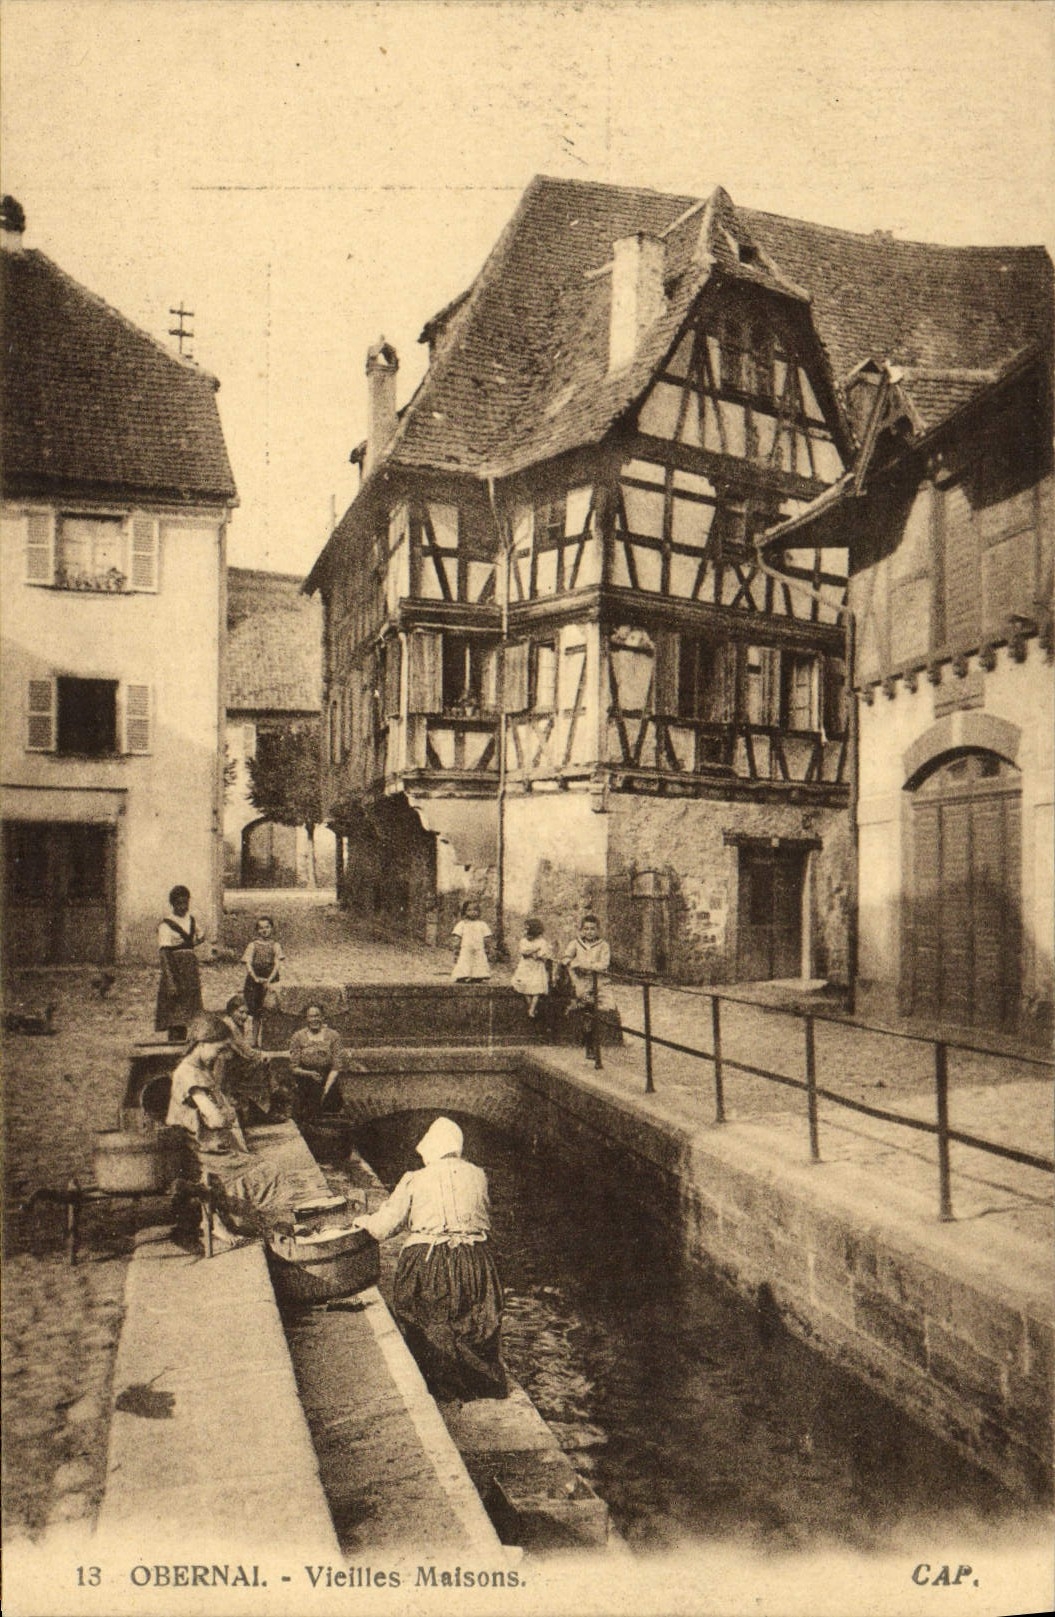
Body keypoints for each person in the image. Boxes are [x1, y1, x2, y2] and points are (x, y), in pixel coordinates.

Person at [353, 1117, 506, 1402]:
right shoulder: (478, 1175)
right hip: (474, 1260)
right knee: (474, 1321)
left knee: (429, 1320)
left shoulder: (415, 1178)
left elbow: (384, 1227)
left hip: (429, 1260)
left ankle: (442, 1386)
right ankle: (479, 1383)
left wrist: (362, 1222)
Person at [165, 1014, 246, 1157]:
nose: (221, 1056)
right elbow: (215, 1119)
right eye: (219, 1050)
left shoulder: (201, 1069)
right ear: (201, 1044)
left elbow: (214, 1101)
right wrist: (226, 1114)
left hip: (210, 1143)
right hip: (197, 1150)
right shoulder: (188, 1073)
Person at [219, 994, 280, 1123]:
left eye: (246, 1013)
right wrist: (262, 1055)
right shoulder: (229, 1026)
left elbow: (247, 1047)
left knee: (262, 1066)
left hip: (232, 1065)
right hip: (225, 1069)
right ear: (231, 1011)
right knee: (262, 1065)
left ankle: (263, 1108)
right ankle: (265, 1109)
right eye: (241, 1012)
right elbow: (246, 1051)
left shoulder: (235, 1024)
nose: (245, 1017)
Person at [155, 885, 204, 1042]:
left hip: (190, 972)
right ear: (173, 904)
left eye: (185, 903)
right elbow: (164, 954)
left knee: (189, 1012)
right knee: (175, 1012)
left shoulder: (191, 920)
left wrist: (193, 943)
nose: (183, 907)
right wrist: (170, 981)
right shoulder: (166, 925)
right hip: (175, 971)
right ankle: (174, 1044)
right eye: (179, 903)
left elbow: (200, 936)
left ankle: (185, 1046)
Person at [562, 912, 611, 1059]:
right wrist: (572, 963)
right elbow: (565, 958)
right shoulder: (575, 943)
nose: (589, 932)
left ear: (597, 930)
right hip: (580, 981)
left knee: (603, 1008)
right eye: (586, 929)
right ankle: (590, 1045)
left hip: (597, 981)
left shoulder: (603, 945)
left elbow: (604, 964)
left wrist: (585, 965)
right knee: (588, 1008)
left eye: (592, 929)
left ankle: (590, 1041)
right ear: (582, 930)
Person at [287, 1003, 343, 1119]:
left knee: (333, 1102)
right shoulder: (298, 1037)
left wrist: (326, 1088)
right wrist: (310, 1074)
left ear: (323, 1017)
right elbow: (294, 1068)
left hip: (328, 1078)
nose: (314, 1019)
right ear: (306, 1019)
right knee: (311, 1102)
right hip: (306, 1078)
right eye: (311, 1016)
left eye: (317, 1016)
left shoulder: (333, 1035)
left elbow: (336, 1065)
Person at [241, 915, 284, 1048]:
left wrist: (269, 980)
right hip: (255, 981)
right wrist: (255, 978)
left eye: (267, 927)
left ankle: (269, 1041)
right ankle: (254, 1040)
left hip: (271, 979)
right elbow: (248, 963)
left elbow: (277, 964)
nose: (264, 930)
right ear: (257, 930)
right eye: (261, 928)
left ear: (271, 929)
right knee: (256, 1012)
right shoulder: (252, 945)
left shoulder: (275, 945)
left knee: (270, 1009)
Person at [510, 917, 553, 1018]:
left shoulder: (542, 941)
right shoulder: (523, 941)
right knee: (524, 986)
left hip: (537, 968)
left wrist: (537, 954)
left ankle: (532, 1009)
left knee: (536, 988)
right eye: (524, 929)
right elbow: (524, 952)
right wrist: (535, 950)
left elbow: (543, 955)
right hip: (525, 967)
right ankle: (531, 1007)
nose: (524, 932)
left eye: (527, 929)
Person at [451, 899, 492, 982]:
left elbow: (487, 936)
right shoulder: (462, 924)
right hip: (466, 948)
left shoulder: (482, 924)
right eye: (469, 910)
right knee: (464, 960)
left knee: (479, 960)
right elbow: (457, 935)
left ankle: (478, 976)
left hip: (479, 948)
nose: (472, 912)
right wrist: (456, 946)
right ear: (465, 911)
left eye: (475, 910)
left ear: (479, 912)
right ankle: (462, 975)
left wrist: (487, 947)